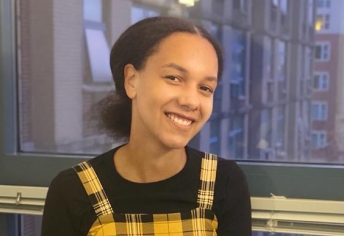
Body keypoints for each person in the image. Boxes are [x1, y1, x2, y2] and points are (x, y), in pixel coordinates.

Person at [41, 16, 251, 236]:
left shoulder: (224, 182)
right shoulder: (73, 190)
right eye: (174, 77)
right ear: (132, 80)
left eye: (205, 88)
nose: (191, 101)